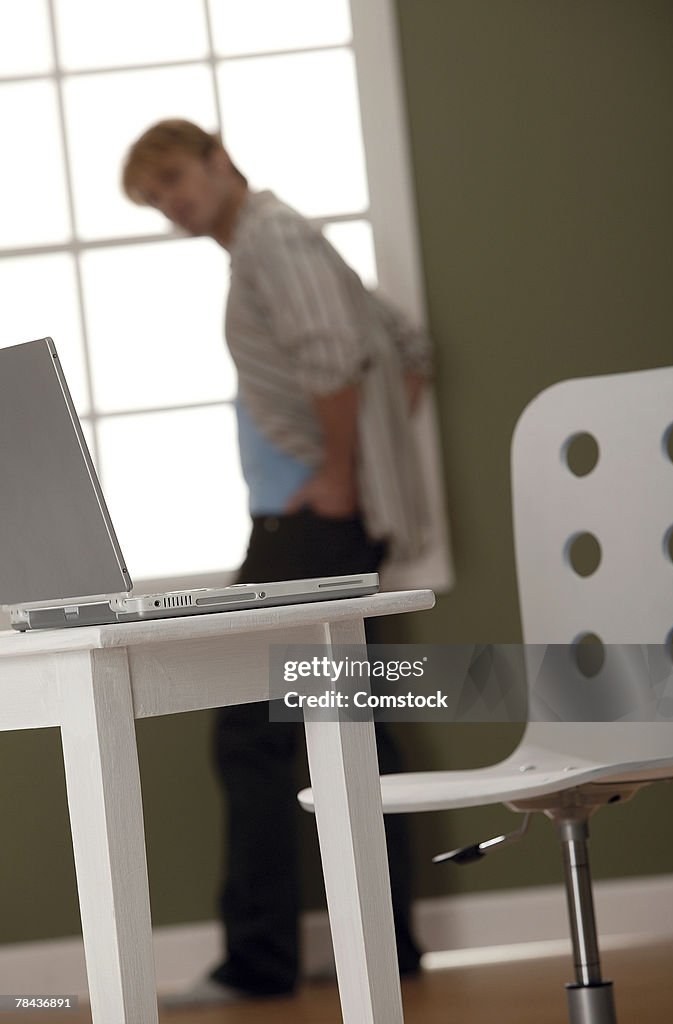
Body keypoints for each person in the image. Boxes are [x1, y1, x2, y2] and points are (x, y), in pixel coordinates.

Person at [122, 119, 432, 1005]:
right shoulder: (271, 242)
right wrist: (371, 466)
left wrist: (342, 473)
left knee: (253, 736)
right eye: (156, 197)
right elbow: (405, 351)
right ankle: (390, 949)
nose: (172, 203)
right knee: (351, 728)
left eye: (177, 178)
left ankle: (259, 964)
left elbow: (341, 357)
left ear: (219, 158)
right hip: (312, 518)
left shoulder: (271, 237)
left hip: (310, 522)